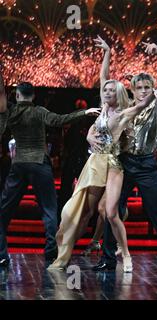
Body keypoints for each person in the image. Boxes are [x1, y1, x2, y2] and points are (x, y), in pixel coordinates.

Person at [47, 37, 157, 272]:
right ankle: (66, 252)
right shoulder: (104, 108)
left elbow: (142, 104)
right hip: (95, 163)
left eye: (110, 90)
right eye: (105, 90)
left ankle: (123, 252)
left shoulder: (125, 112)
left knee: (107, 211)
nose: (106, 91)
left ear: (118, 93)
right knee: (84, 210)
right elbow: (103, 76)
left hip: (114, 163)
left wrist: (151, 90)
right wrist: (107, 51)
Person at [90, 38, 157, 274]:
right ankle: (107, 258)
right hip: (124, 164)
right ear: (133, 90)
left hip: (146, 165)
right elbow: (105, 83)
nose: (145, 91)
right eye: (140, 88)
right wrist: (107, 52)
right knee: (112, 211)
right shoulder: (125, 106)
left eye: (148, 87)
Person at [0, 74, 100, 268]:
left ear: (18, 96)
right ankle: (51, 252)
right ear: (33, 96)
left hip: (19, 165)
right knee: (49, 210)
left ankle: (2, 255)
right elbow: (61, 120)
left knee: (3, 212)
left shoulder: (11, 113)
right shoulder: (39, 111)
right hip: (40, 164)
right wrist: (84, 112)